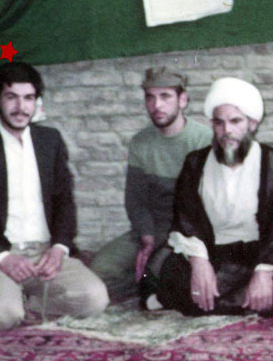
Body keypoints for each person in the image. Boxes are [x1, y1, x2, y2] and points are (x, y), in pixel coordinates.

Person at [0, 61, 108, 330]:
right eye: (11, 97)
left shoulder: (50, 141)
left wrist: (59, 249)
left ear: (36, 102)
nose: (20, 107)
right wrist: (2, 258)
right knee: (0, 316)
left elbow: (64, 201)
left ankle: (25, 301)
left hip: (44, 253)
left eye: (28, 98)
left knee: (95, 300)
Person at [156, 77, 273, 317]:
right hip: (213, 256)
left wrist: (264, 271)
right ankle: (242, 300)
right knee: (172, 272)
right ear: (212, 124)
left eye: (235, 121)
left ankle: (221, 299)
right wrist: (199, 262)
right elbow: (185, 218)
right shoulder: (196, 163)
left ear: (252, 124)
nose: (227, 131)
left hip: (262, 256)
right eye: (219, 123)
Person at [90, 67, 211, 302]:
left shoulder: (203, 139)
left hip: (190, 231)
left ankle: (154, 283)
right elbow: (135, 200)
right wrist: (147, 237)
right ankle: (146, 286)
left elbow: (205, 205)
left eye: (165, 96)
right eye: (150, 97)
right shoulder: (141, 142)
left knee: (170, 271)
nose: (157, 105)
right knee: (100, 270)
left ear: (183, 100)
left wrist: (177, 240)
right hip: (153, 227)